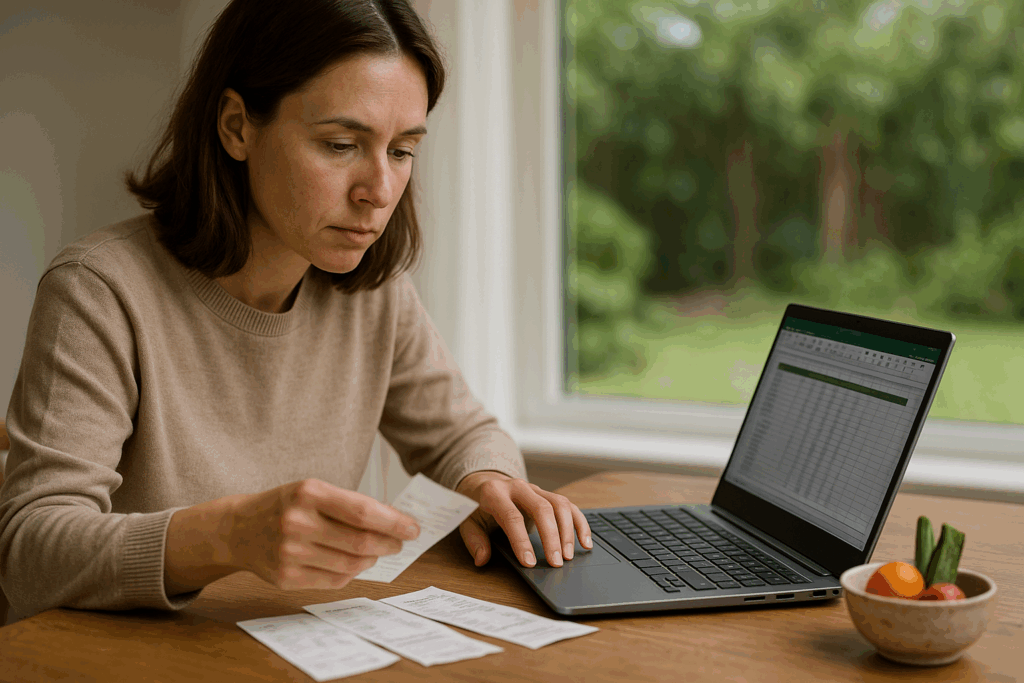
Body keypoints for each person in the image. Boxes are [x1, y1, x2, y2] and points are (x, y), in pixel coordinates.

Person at [0, 0, 591, 625]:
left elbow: (464, 435)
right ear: (236, 127)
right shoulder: (99, 290)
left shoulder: (370, 293)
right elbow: (29, 551)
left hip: (281, 649)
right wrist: (226, 535)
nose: (379, 191)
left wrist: (486, 484)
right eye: (341, 144)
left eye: (401, 150)